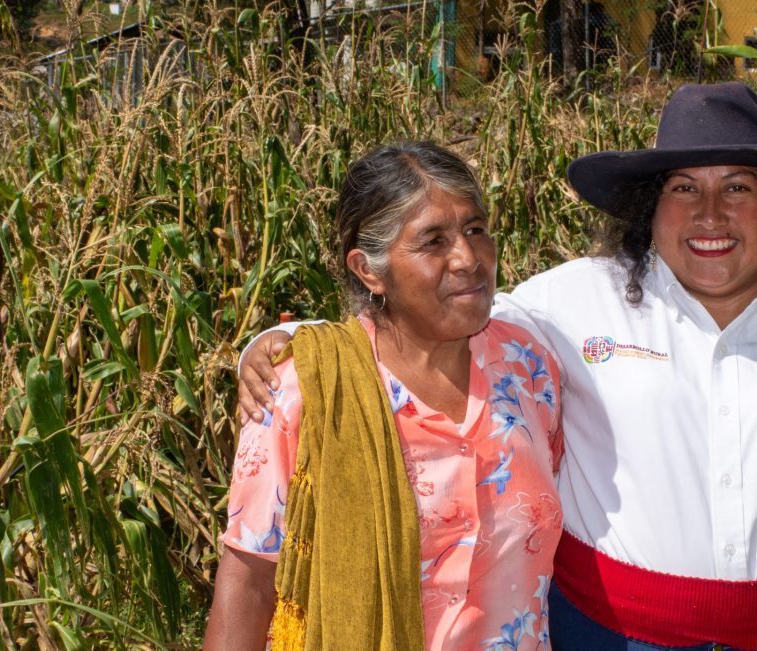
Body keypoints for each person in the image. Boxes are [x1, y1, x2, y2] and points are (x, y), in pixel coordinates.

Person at [236, 83, 757, 650]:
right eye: (684, 187)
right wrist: (288, 343)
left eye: (738, 186)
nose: (710, 214)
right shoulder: (577, 301)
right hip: (609, 637)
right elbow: (438, 309)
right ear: (651, 206)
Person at [202, 142, 564, 651]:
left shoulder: (529, 369)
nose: (468, 258)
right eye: (433, 241)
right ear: (369, 270)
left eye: (476, 229)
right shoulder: (304, 393)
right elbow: (249, 581)